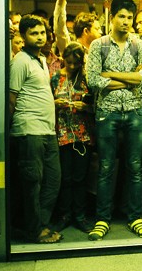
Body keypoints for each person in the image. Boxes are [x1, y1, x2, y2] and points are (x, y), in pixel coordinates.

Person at [86, 0, 142, 240]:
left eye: (129, 17)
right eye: (121, 17)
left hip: (135, 110)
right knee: (106, 167)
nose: (126, 22)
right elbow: (93, 80)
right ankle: (102, 220)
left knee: (135, 167)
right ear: (112, 18)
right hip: (108, 111)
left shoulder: (141, 45)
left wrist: (110, 75)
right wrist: (130, 77)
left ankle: (134, 217)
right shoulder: (99, 45)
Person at [9, 14, 62, 244]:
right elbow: (11, 99)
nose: (40, 37)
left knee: (52, 181)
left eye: (42, 33)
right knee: (32, 184)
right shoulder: (20, 61)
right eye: (34, 33)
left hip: (47, 131)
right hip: (29, 130)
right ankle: (34, 230)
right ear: (23, 36)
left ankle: (40, 224)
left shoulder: (41, 60)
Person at [50, 42, 94, 234]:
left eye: (76, 63)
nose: (73, 67)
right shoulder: (55, 79)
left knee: (80, 177)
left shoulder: (86, 79)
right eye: (69, 63)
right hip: (61, 133)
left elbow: (97, 106)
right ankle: (64, 214)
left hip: (82, 134)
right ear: (64, 61)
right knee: (65, 177)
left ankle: (80, 215)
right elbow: (45, 103)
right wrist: (55, 104)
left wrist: (87, 108)